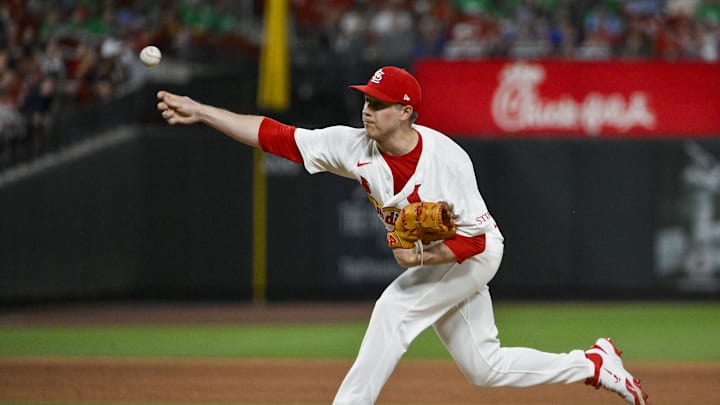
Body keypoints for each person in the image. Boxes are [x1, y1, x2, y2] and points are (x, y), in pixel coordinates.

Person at [156, 66, 649, 405]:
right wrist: (204, 111)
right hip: (448, 256)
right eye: (366, 100)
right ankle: (593, 364)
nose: (367, 109)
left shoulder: (449, 160)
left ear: (407, 111)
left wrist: (420, 260)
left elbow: (475, 242)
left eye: (379, 103)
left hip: (474, 254)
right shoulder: (352, 146)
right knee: (486, 368)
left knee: (394, 310)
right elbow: (274, 135)